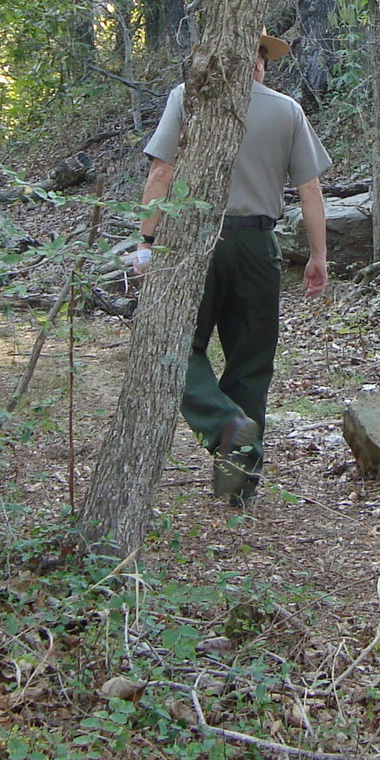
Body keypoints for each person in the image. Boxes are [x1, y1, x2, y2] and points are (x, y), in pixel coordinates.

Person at [135, 33, 331, 505]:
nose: (262, 65)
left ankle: (224, 428)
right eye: (260, 57)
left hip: (194, 242)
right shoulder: (286, 111)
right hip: (257, 246)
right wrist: (318, 257)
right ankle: (240, 481)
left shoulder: (189, 98)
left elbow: (161, 172)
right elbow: (310, 189)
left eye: (263, 57)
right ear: (256, 64)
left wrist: (146, 240)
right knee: (249, 361)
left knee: (175, 344)